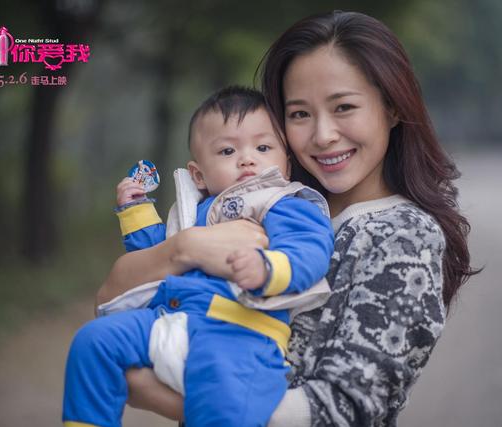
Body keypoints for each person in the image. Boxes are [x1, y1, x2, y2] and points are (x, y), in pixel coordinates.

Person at [97, 10, 479, 426]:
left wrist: (174, 398)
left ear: (391, 108)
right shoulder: (255, 202)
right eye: (299, 114)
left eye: (344, 107)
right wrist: (184, 247)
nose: (323, 135)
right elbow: (110, 300)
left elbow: (347, 408)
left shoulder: (402, 236)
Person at [62, 86, 335, 427]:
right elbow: (158, 254)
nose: (247, 159)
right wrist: (136, 211)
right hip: (170, 319)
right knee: (94, 341)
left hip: (239, 334)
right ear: (198, 174)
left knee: (219, 409)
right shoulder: (193, 210)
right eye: (227, 150)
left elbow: (310, 248)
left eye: (263, 147)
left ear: (287, 164)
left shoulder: (283, 202)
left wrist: (269, 268)